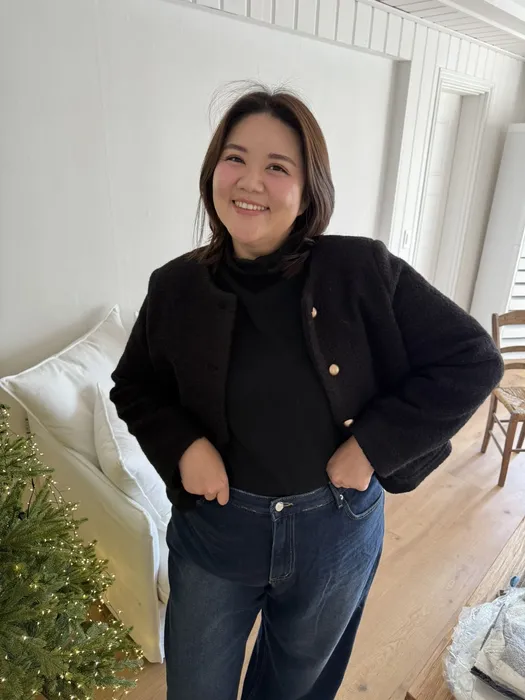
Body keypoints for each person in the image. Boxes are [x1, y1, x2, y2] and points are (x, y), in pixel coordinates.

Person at [110, 87, 504, 700]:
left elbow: (473, 359)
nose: (250, 181)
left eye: (277, 166)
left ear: (307, 190)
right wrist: (184, 446)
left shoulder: (362, 270)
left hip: (335, 530)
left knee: (296, 688)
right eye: (235, 158)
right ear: (213, 171)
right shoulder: (175, 287)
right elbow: (134, 385)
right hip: (219, 531)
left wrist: (372, 446)